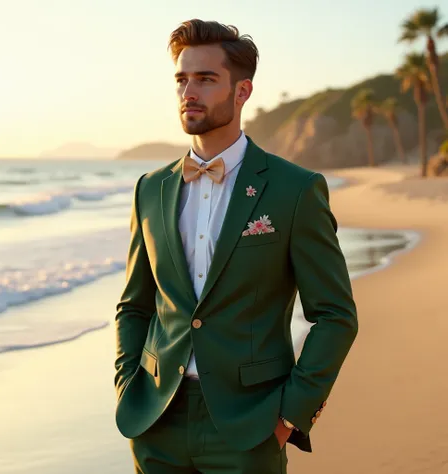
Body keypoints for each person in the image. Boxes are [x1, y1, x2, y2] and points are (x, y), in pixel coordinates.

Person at [114, 18, 358, 474]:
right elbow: (135, 305)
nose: (190, 92)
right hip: (156, 420)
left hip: (251, 424)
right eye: (183, 79)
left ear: (242, 91)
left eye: (206, 79)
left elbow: (336, 315)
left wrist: (291, 414)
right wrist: (128, 385)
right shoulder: (150, 189)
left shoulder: (295, 190)